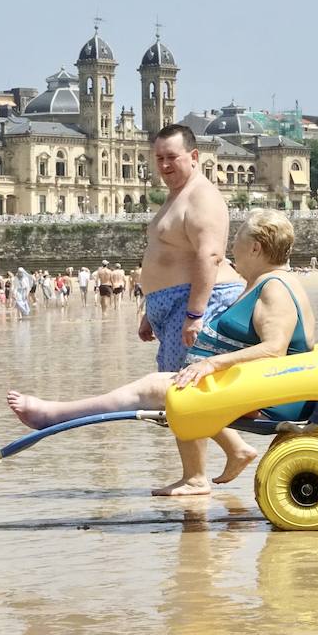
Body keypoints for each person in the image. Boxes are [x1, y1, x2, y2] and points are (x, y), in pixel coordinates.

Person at [10, 209, 306, 495]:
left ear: (254, 248)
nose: (232, 249)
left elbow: (273, 350)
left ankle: (52, 415)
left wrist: (213, 364)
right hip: (269, 388)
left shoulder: (274, 288)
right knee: (167, 382)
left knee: (154, 387)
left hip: (274, 399)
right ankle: (231, 452)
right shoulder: (270, 282)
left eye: (237, 241)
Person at [137, 124, 252, 495]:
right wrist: (149, 311)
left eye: (172, 157)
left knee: (183, 391)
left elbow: (209, 255)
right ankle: (234, 451)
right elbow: (170, 256)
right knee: (182, 390)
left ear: (194, 156)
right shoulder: (176, 195)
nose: (165, 165)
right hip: (175, 306)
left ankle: (197, 476)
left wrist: (194, 315)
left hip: (198, 302)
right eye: (159, 158)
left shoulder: (202, 196)